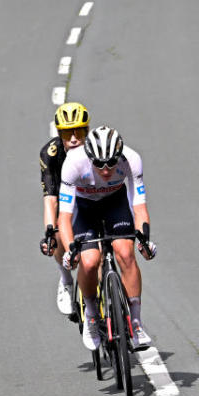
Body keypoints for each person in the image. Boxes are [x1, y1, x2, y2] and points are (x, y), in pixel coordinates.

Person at [58, 126, 158, 351]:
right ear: (89, 157)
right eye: (99, 164)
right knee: (90, 261)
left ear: (119, 156)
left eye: (111, 163)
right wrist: (69, 250)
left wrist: (144, 239)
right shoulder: (74, 163)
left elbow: (138, 205)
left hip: (115, 203)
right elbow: (64, 217)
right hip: (83, 209)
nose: (105, 170)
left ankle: (136, 322)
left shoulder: (131, 159)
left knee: (125, 252)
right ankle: (92, 316)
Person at [39, 102, 91, 316]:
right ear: (59, 134)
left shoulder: (96, 148)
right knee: (58, 234)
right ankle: (66, 280)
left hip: (94, 196)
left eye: (78, 131)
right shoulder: (50, 154)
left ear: (87, 131)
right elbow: (50, 199)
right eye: (67, 133)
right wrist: (49, 232)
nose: (73, 138)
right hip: (65, 199)